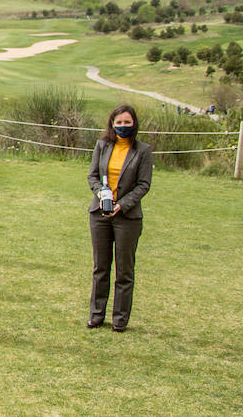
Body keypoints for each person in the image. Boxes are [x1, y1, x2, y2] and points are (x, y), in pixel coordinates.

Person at [87, 104, 153, 332]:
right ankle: (96, 315)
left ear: (133, 123)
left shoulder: (143, 150)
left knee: (124, 270)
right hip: (99, 214)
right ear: (112, 124)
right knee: (101, 267)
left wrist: (122, 205)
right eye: (119, 123)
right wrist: (100, 193)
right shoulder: (102, 145)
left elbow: (144, 184)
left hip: (127, 218)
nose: (123, 126)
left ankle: (120, 319)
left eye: (127, 122)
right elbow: (93, 175)